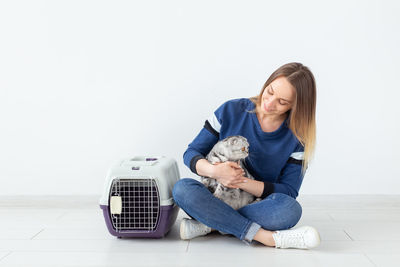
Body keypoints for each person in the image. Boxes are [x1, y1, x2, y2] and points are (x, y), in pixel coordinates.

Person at [172, 62, 321, 249]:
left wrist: (239, 181)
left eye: (282, 102)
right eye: (270, 91)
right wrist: (215, 172)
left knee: (290, 209)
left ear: (296, 106)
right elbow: (191, 153)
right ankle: (265, 237)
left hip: (255, 203)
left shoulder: (297, 138)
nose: (269, 103)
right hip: (217, 196)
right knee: (182, 189)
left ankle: (211, 223)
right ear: (267, 83)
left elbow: (289, 191)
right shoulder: (230, 110)